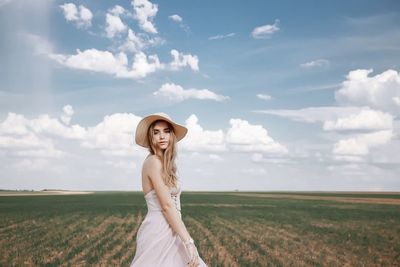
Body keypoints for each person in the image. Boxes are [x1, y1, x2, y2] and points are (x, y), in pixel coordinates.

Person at [130, 112, 208, 267]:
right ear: (151, 138)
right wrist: (189, 242)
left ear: (172, 136)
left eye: (166, 131)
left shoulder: (167, 165)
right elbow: (166, 206)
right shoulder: (153, 162)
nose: (162, 136)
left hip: (172, 228)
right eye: (156, 132)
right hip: (159, 231)